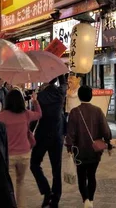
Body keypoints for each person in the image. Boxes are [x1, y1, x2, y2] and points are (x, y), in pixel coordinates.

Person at [66, 85, 112, 208]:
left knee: (81, 176)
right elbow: (106, 130)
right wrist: (108, 143)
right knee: (92, 175)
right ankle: (91, 200)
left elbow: (70, 133)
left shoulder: (74, 112)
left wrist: (69, 147)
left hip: (79, 151)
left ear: (79, 96)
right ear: (91, 96)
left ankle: (85, 199)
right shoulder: (98, 111)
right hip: (94, 151)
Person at [0, 88, 42, 207]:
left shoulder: (2, 116)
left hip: (9, 155)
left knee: (10, 187)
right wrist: (35, 101)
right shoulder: (26, 114)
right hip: (25, 154)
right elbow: (39, 114)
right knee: (21, 183)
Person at [30, 75, 67, 208]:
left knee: (34, 164)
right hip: (57, 136)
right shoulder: (60, 92)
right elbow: (64, 83)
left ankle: (46, 191)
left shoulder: (41, 96)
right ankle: (55, 200)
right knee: (56, 169)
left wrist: (29, 132)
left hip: (42, 135)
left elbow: (35, 117)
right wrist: (60, 73)